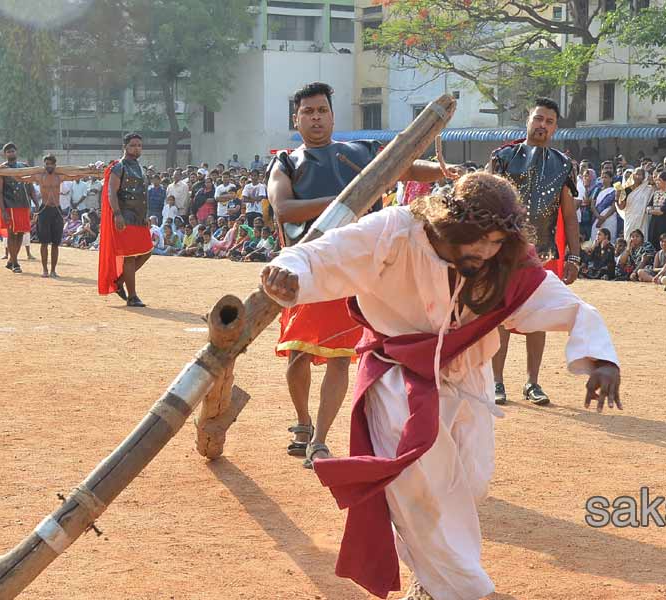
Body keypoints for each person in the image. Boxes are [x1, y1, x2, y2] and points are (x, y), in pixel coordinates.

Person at [260, 171, 621, 600]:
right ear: (450, 224)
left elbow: (550, 295)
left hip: (469, 378)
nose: (486, 251)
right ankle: (467, 590)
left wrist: (601, 356)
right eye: (478, 240)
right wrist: (287, 271)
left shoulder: (503, 257)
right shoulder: (393, 231)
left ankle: (431, 581)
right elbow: (323, 255)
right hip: (398, 382)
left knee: (469, 483)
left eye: (495, 242)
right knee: (424, 488)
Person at [269, 82, 455, 468]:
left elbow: (401, 169)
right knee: (298, 356)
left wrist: (441, 172)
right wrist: (348, 202)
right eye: (308, 112)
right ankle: (303, 422)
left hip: (355, 267)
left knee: (339, 356)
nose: (316, 118)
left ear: (333, 116)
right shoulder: (286, 162)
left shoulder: (361, 151)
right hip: (305, 267)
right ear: (296, 118)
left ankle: (318, 440)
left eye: (322, 110)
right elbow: (284, 209)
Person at [488, 97, 580, 406]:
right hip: (502, 251)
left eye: (549, 121)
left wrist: (574, 256)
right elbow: (486, 205)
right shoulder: (502, 158)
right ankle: (497, 382)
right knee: (499, 316)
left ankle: (532, 383)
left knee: (538, 318)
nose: (542, 125)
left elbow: (568, 215)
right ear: (528, 120)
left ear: (555, 127)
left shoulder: (563, 164)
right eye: (538, 118)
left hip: (542, 253)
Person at [11, 154, 93, 278]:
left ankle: (53, 270)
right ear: (44, 165)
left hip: (57, 211)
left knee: (55, 243)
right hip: (44, 210)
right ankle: (45, 270)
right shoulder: (39, 176)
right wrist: (5, 170)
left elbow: (77, 176)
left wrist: (89, 169)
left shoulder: (60, 176)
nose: (49, 166)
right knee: (44, 243)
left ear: (55, 165)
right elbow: (20, 178)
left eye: (51, 164)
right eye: (46, 164)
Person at [98, 132, 154, 307]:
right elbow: (111, 192)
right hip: (125, 217)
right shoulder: (119, 167)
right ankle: (132, 296)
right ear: (125, 147)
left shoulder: (140, 167)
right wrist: (117, 214)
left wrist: (146, 215)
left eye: (139, 145)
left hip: (139, 218)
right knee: (129, 257)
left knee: (147, 251)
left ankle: (118, 282)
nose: (137, 148)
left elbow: (143, 195)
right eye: (133, 145)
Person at [0, 142, 36, 273]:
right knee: (11, 234)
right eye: (8, 151)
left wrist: (36, 202)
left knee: (21, 233)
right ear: (4, 154)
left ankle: (11, 260)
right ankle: (16, 263)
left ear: (16, 152)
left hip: (24, 204)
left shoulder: (24, 167)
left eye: (13, 151)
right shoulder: (1, 169)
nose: (11, 153)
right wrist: (3, 209)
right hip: (10, 206)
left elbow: (30, 186)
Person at [616, 169, 653, 247]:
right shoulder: (626, 189)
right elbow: (621, 207)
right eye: (636, 174)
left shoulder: (648, 189)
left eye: (640, 175)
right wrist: (618, 197)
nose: (637, 176)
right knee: (629, 239)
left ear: (644, 177)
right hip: (630, 219)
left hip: (642, 219)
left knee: (641, 238)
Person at [646, 170, 666, 246]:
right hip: (654, 223)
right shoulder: (656, 193)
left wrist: (652, 210)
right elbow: (647, 208)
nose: (657, 182)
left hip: (664, 223)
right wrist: (655, 210)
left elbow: (662, 211)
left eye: (659, 180)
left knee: (664, 243)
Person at [590, 171, 618, 242]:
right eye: (602, 177)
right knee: (596, 239)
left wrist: (604, 218)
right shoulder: (597, 190)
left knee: (608, 239)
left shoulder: (614, 191)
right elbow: (592, 205)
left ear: (611, 179)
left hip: (609, 219)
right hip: (597, 219)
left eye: (605, 177)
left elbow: (614, 206)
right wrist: (599, 217)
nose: (603, 179)